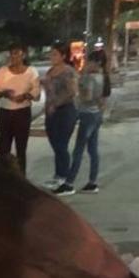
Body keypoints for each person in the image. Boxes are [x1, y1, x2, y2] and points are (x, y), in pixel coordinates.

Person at [53, 48, 107, 195]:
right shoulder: (102, 77)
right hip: (96, 115)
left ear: (97, 63)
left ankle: (69, 184)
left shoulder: (90, 78)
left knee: (78, 151)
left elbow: (87, 97)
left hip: (87, 115)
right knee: (93, 150)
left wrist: (78, 90)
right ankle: (92, 182)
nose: (86, 64)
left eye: (89, 61)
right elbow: (101, 99)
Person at [0, 42, 40, 175]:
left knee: (21, 147)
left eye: (17, 53)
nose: (13, 57)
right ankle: (3, 175)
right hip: (6, 112)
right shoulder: (3, 71)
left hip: (22, 113)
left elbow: (36, 91)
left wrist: (25, 96)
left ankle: (21, 176)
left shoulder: (31, 72)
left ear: (24, 55)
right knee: (3, 147)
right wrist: (4, 93)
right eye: (11, 54)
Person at [41, 40, 79, 188]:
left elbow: (72, 92)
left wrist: (56, 104)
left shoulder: (68, 71)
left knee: (61, 145)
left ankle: (64, 177)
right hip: (51, 112)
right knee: (55, 144)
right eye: (51, 54)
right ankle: (58, 175)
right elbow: (49, 91)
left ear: (63, 56)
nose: (52, 56)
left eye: (55, 54)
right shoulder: (50, 71)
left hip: (65, 111)